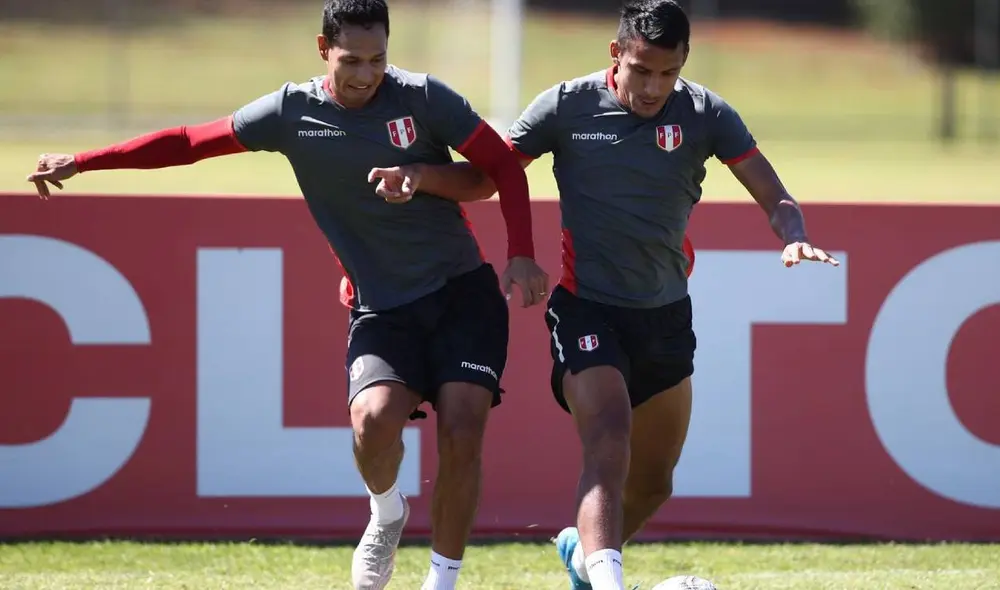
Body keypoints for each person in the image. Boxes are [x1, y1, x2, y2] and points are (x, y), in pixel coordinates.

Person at [25, 1, 549, 589]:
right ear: (323, 50)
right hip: (382, 305)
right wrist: (84, 162)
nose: (365, 74)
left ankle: (442, 581)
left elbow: (502, 163)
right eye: (352, 60)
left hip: (461, 291)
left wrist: (522, 252)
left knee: (463, 425)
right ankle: (387, 511)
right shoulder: (290, 111)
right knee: (373, 424)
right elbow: (189, 142)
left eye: (378, 59)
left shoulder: (424, 98)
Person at [370, 1, 840, 588]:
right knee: (609, 437)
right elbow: (489, 176)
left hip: (665, 317)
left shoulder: (705, 113)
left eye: (667, 74)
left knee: (654, 481)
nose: (653, 88)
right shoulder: (566, 106)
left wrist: (794, 236)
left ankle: (582, 555)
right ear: (616, 54)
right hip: (585, 307)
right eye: (642, 71)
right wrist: (420, 176)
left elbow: (774, 194)